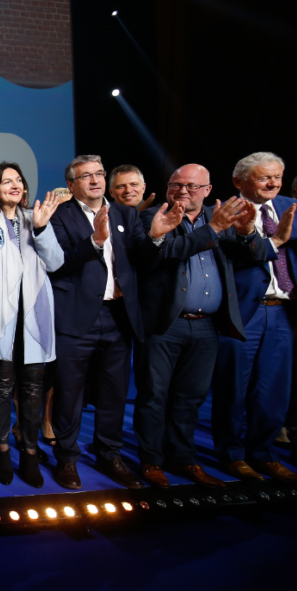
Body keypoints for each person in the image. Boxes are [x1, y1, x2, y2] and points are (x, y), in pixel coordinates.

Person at [135, 164, 265, 488]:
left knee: (190, 398)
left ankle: (184, 459)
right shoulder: (152, 215)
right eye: (175, 185)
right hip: (165, 324)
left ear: (207, 190)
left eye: (192, 187)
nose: (182, 191)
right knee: (154, 396)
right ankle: (151, 460)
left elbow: (259, 255)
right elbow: (159, 256)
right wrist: (213, 230)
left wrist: (248, 231)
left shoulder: (219, 216)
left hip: (206, 326)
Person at [48, 155, 161, 490]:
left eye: (98, 174)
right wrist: (95, 241)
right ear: (71, 184)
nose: (95, 180)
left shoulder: (126, 213)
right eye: (86, 176)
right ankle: (67, 458)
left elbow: (142, 259)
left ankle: (109, 454)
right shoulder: (59, 216)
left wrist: (155, 238)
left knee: (114, 394)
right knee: (69, 394)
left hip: (118, 316)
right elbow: (59, 264)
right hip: (76, 316)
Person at [0, 162, 63, 488]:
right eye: (7, 181)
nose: (15, 185)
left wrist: (40, 228)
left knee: (34, 391)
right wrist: (1, 232)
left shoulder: (34, 218)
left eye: (18, 180)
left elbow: (56, 261)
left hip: (33, 317)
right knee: (1, 388)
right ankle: (3, 451)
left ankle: (30, 453)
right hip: (1, 318)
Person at [211, 152, 297, 483]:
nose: (273, 183)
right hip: (243, 311)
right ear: (239, 182)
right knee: (233, 388)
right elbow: (240, 255)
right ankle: (232, 456)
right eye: (264, 178)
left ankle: (262, 453)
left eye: (277, 176)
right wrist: (272, 240)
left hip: (281, 312)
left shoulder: (290, 205)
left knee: (274, 389)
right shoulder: (227, 212)